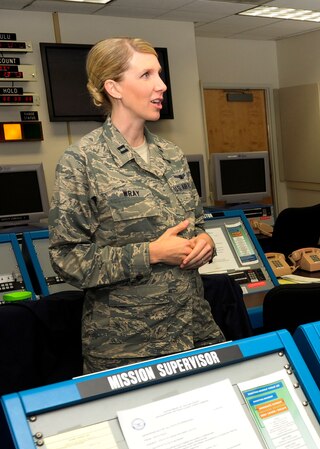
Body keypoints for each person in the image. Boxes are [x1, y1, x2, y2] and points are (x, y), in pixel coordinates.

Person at [49, 37, 224, 373]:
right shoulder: (81, 161)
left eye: (159, 74)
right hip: (129, 346)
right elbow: (67, 259)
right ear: (113, 87)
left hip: (195, 330)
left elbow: (194, 224)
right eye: (146, 75)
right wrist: (152, 253)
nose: (162, 85)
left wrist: (205, 241)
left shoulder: (171, 155)